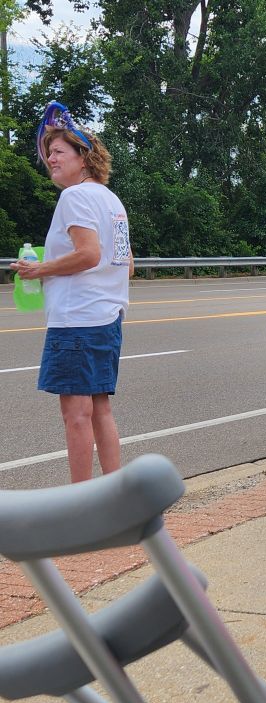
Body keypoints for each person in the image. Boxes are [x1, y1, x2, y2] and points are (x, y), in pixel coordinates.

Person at [10, 103, 134, 483]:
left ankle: (81, 500)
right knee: (99, 410)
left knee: (75, 414)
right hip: (106, 318)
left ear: (84, 157)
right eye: (48, 153)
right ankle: (115, 493)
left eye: (59, 151)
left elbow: (89, 254)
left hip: (78, 320)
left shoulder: (75, 197)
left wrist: (39, 269)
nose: (50, 159)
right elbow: (126, 262)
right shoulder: (111, 200)